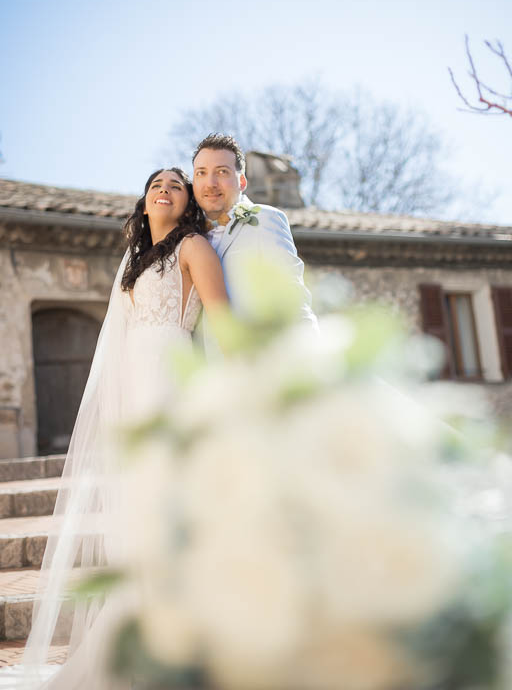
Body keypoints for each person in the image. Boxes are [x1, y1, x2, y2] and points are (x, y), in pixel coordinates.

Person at [12, 167, 228, 689]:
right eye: (156, 185)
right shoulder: (134, 260)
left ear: (187, 203)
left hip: (171, 391)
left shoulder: (194, 247)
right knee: (139, 519)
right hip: (133, 396)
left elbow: (223, 322)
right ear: (144, 201)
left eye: (176, 185)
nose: (165, 190)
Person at [191, 133, 318, 355]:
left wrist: (312, 357)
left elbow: (293, 298)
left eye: (222, 172)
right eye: (201, 173)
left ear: (242, 181)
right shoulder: (188, 239)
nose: (210, 183)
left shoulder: (265, 219)